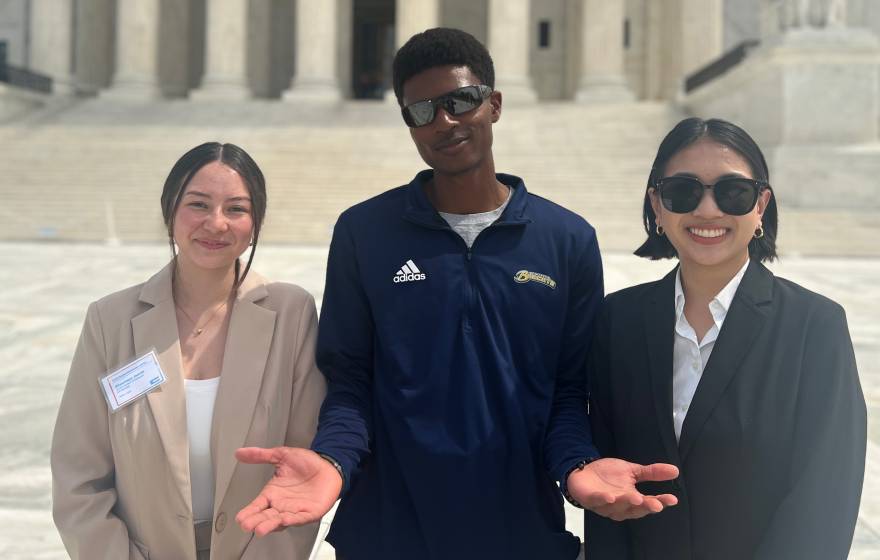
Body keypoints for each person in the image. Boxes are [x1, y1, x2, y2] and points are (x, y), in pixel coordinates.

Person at [234, 28, 677, 559]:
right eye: (422, 111)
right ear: (408, 124)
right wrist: (332, 461)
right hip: (386, 536)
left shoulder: (566, 240)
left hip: (521, 536)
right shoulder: (365, 232)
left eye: (461, 101)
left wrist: (577, 466)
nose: (444, 121)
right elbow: (349, 382)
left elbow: (566, 392)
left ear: (494, 105)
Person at [585, 117, 867, 559]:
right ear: (657, 205)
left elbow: (823, 499)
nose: (708, 210)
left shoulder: (815, 327)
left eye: (733, 192)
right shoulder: (617, 320)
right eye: (683, 191)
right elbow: (609, 485)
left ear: (761, 205)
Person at [51, 142, 326, 560]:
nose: (216, 223)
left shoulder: (292, 313)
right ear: (170, 212)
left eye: (236, 209)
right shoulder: (110, 320)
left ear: (256, 223)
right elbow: (78, 476)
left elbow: (302, 465)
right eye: (198, 204)